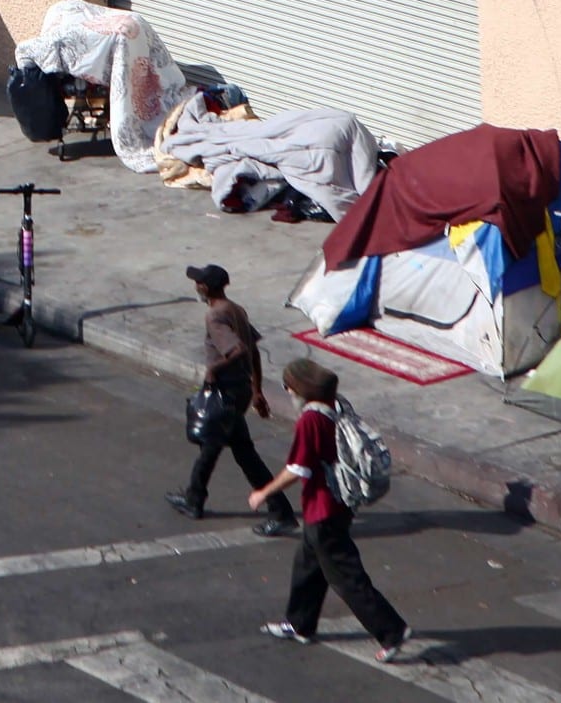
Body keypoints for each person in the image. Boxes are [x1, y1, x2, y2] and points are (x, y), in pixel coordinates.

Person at [253, 359, 413, 662]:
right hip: (340, 504)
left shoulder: (309, 421)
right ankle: (299, 623)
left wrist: (264, 492)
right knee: (307, 566)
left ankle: (391, 630)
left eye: (288, 386)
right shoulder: (337, 406)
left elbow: (297, 469)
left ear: (299, 389)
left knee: (346, 577)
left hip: (323, 509)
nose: (287, 391)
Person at [167, 264, 299, 537]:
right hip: (238, 391)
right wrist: (257, 390)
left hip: (225, 391)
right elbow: (253, 351)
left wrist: (214, 370)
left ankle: (280, 512)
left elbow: (238, 350)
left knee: (235, 452)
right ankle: (194, 497)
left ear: (205, 288)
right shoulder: (235, 310)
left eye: (198, 282)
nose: (196, 286)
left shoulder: (215, 316)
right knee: (219, 447)